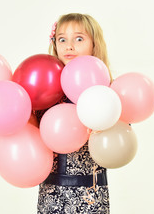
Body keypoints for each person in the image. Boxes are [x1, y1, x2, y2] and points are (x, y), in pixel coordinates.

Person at [37, 13, 111, 213]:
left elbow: (116, 137)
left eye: (79, 38)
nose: (69, 46)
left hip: (90, 195)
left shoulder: (104, 90)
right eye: (62, 39)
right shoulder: (46, 91)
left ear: (94, 44)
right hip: (52, 193)